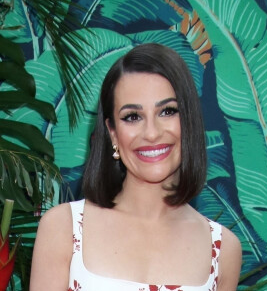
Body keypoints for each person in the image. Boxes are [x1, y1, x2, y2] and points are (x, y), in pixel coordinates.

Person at [30, 43, 242, 290]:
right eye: (132, 117)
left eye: (168, 111)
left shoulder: (223, 250)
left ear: (189, 121)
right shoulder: (63, 228)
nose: (151, 133)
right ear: (112, 133)